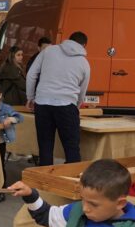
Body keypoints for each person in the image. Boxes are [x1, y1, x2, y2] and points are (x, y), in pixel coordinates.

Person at [25, 31, 90, 166]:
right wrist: (76, 106)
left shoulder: (48, 51)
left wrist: (30, 97)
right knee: (71, 148)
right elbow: (82, 91)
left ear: (68, 40)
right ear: (84, 45)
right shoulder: (84, 63)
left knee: (45, 147)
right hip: (67, 106)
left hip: (43, 103)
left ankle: (45, 184)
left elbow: (31, 74)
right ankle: (71, 182)